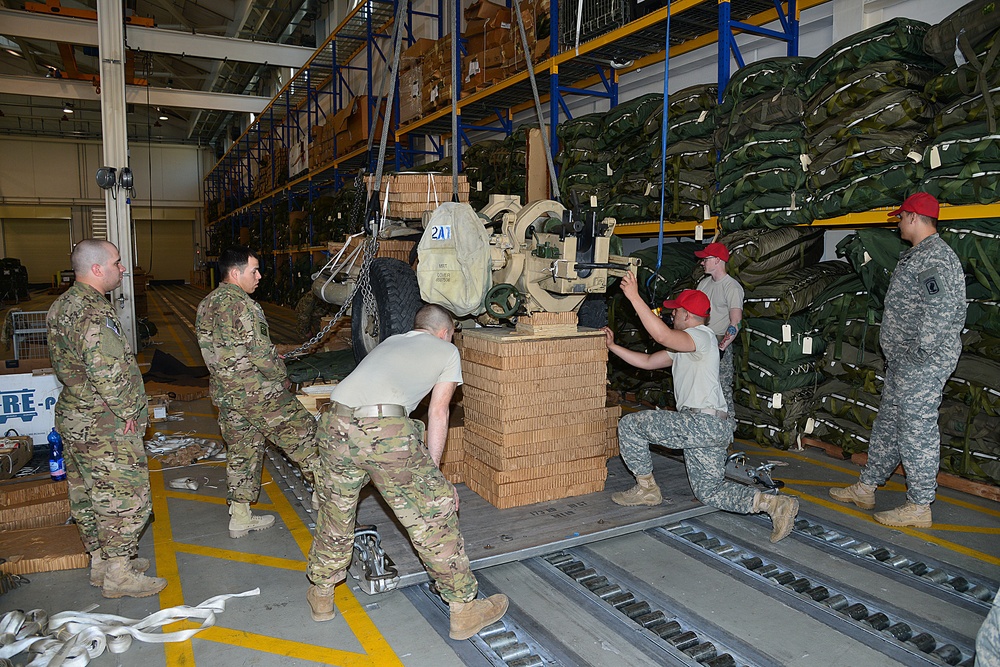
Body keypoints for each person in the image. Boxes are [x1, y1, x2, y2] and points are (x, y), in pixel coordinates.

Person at [306, 304, 508, 640]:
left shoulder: (391, 341)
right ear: (446, 330)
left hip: (333, 425)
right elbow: (439, 412)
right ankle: (464, 610)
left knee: (335, 515)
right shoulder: (446, 350)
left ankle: (322, 596)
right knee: (433, 515)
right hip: (384, 430)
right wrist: (436, 474)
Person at [603, 275, 799, 543]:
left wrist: (634, 297)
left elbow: (660, 335)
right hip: (712, 427)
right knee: (710, 492)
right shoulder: (687, 345)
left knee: (630, 425)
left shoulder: (701, 336)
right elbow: (648, 361)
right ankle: (774, 505)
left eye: (676, 311)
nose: (672, 315)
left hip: (700, 424)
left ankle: (646, 488)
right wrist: (613, 346)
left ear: (687, 314)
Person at [829, 193, 966, 528]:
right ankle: (866, 487)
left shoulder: (935, 258)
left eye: (901, 217)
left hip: (921, 364)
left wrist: (918, 354)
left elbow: (941, 312)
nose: (898, 223)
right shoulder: (917, 256)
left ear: (914, 217)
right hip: (904, 363)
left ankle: (919, 506)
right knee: (889, 424)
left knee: (916, 431)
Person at [47, 239, 167, 598]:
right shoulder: (93, 313)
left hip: (75, 414)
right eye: (117, 262)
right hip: (104, 422)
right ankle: (118, 573)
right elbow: (108, 370)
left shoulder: (61, 306)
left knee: (86, 492)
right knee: (124, 495)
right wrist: (130, 413)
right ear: (97, 269)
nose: (123, 268)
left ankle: (101, 562)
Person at [195, 246, 318, 538]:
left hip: (227, 395)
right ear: (235, 273)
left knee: (242, 452)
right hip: (260, 395)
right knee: (306, 437)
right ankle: (324, 498)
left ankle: (240, 516)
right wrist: (283, 377)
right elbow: (262, 355)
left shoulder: (206, 305)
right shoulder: (245, 306)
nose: (260, 276)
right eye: (254, 270)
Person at [695, 241, 744, 417]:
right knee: (699, 387)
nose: (702, 263)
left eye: (705, 259)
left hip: (718, 341)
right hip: (701, 340)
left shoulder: (732, 288)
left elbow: (736, 322)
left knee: (722, 389)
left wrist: (721, 348)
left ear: (717, 260)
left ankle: (727, 429)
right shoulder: (703, 284)